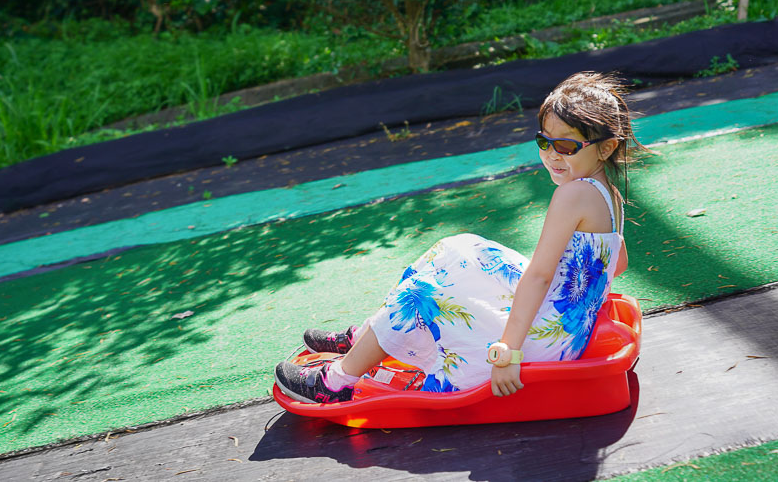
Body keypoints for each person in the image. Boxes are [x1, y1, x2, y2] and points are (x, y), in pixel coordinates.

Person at [275, 71, 642, 403]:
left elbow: (541, 275)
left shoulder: (572, 194)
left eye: (565, 147)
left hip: (545, 339)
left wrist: (509, 351)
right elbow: (617, 259)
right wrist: (582, 300)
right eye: (544, 142)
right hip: (565, 322)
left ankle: (336, 384)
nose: (551, 155)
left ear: (606, 147)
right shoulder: (607, 192)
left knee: (418, 297)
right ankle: (368, 338)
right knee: (459, 249)